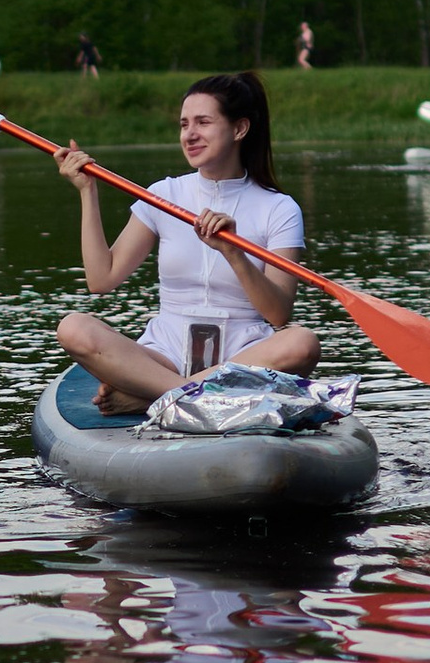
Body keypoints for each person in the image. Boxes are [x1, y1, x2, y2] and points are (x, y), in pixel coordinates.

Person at [55, 70, 319, 410]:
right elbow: (101, 279)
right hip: (163, 357)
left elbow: (279, 314)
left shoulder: (279, 208)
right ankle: (192, 394)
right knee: (73, 327)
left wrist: (233, 252)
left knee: (302, 342)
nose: (190, 135)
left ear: (239, 128)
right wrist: (87, 192)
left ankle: (158, 397)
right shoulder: (163, 195)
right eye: (184, 124)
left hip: (241, 358)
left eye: (203, 123)